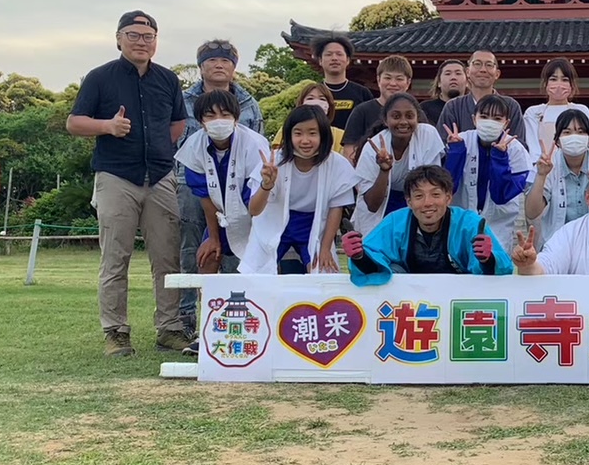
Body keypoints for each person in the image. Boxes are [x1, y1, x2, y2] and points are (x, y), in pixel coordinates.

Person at [66, 10, 190, 357]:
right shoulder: (100, 77)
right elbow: (74, 122)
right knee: (115, 258)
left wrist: (159, 148)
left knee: (167, 258)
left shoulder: (167, 79)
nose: (141, 42)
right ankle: (116, 332)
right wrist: (107, 127)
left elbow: (178, 123)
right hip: (116, 176)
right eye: (133, 35)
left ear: (156, 41)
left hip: (160, 176)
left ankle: (170, 329)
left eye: (148, 36)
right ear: (119, 39)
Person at [175, 39, 264, 334]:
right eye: (212, 60)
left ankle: (243, 322)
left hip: (244, 192)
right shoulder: (183, 102)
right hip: (198, 189)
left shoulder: (249, 105)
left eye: (225, 61)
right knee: (199, 249)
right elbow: (200, 187)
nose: (219, 65)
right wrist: (213, 235)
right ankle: (194, 320)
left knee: (243, 256)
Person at [342, 165, 513, 284]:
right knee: (393, 270)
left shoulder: (470, 224)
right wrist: (359, 256)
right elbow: (372, 262)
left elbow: (503, 269)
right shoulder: (395, 222)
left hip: (460, 298)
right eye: (418, 196)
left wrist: (487, 259)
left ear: (448, 198)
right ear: (408, 201)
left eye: (435, 194)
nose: (427, 203)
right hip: (408, 302)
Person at [239, 105, 357, 274]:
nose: (305, 140)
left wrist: (325, 248)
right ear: (289, 135)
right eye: (298, 133)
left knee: (322, 273)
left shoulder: (337, 164)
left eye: (312, 133)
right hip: (276, 219)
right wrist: (267, 185)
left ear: (323, 135)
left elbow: (335, 209)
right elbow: (254, 210)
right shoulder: (273, 162)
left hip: (313, 222)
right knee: (256, 273)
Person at [442, 94, 531, 252]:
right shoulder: (460, 140)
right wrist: (456, 152)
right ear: (474, 119)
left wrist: (500, 158)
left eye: (497, 118)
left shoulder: (516, 149)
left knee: (494, 262)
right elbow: (447, 187)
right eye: (484, 117)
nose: (489, 122)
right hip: (460, 218)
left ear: (506, 123)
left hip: (499, 223)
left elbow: (501, 195)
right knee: (460, 259)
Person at [350, 93, 445, 235]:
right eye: (396, 116)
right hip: (383, 208)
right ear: (385, 120)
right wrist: (384, 170)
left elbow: (431, 184)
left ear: (417, 118)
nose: (403, 122)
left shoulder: (428, 135)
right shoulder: (373, 147)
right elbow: (372, 205)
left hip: (416, 201)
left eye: (409, 116)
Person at [524, 108, 589, 244]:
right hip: (559, 242)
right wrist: (541, 176)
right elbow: (531, 212)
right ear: (557, 141)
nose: (574, 137)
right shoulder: (548, 163)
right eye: (567, 132)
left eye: (580, 132)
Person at [437, 50, 526, 142]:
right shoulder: (453, 106)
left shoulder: (511, 105)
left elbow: (519, 144)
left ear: (497, 74)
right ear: (467, 72)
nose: (483, 70)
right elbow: (441, 143)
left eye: (489, 65)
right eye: (477, 64)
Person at [523, 58, 589, 161]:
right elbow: (533, 148)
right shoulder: (533, 112)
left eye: (564, 80)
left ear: (572, 84)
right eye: (553, 79)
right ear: (545, 83)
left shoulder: (581, 110)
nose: (559, 84)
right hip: (544, 166)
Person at [343, 56, 416, 155]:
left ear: (408, 83)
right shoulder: (361, 111)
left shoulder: (415, 112)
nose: (393, 83)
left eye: (399, 79)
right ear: (378, 80)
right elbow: (349, 149)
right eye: (387, 78)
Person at [314, 33, 373, 130]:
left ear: (348, 60)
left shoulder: (362, 93)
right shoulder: (313, 94)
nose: (334, 58)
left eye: (339, 54)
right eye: (328, 54)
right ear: (320, 60)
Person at [420, 59, 467, 126]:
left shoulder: (473, 108)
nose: (453, 77)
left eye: (458, 73)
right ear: (439, 82)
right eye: (448, 74)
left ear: (467, 81)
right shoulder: (425, 109)